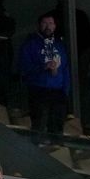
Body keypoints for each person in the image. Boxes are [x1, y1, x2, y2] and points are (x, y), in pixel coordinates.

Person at [18, 12, 70, 140]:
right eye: (45, 23)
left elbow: (66, 69)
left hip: (58, 92)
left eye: (51, 23)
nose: (48, 26)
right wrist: (43, 67)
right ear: (39, 25)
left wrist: (65, 91)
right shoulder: (30, 44)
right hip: (38, 90)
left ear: (55, 26)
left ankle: (57, 153)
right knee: (39, 125)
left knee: (57, 128)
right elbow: (24, 68)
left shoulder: (60, 45)